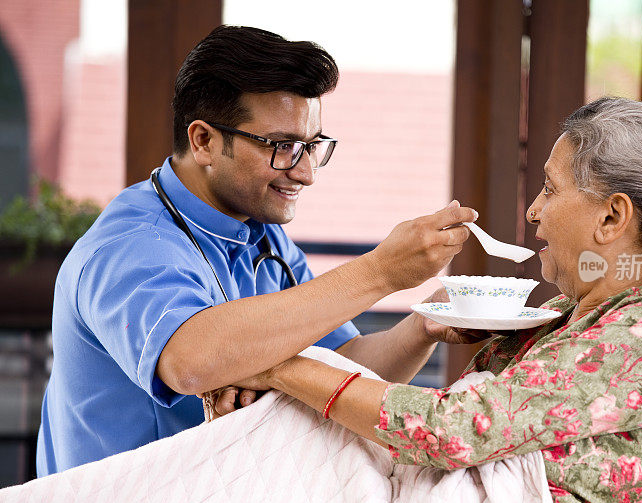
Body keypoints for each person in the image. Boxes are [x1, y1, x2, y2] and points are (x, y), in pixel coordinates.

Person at [238, 97, 642, 503]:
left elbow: (449, 430)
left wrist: (276, 367)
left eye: (551, 189)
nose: (534, 209)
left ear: (611, 216)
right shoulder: (581, 314)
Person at [36, 25, 486, 476]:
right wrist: (381, 273)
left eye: (311, 147)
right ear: (204, 141)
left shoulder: (261, 234)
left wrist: (423, 325)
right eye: (283, 147)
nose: (306, 173)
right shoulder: (132, 245)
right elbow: (190, 361)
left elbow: (344, 366)